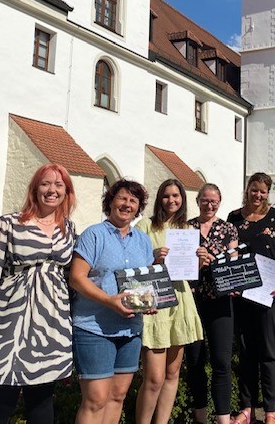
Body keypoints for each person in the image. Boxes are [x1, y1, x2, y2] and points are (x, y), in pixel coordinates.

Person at [0, 164, 76, 424]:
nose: (52, 190)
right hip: (9, 321)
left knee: (42, 402)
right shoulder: (7, 224)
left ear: (66, 192)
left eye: (59, 185)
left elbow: (73, 277)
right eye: (46, 184)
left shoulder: (68, 229)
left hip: (51, 323)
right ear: (35, 188)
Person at [69, 179, 154, 424]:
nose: (127, 205)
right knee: (95, 399)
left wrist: (149, 301)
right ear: (111, 201)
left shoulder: (143, 240)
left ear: (138, 208)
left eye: (133, 201)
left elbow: (144, 282)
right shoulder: (93, 234)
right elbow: (76, 278)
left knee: (117, 396)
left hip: (130, 329)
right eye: (122, 198)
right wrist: (108, 301)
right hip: (94, 328)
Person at [135, 179, 203, 424]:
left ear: (183, 199)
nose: (171, 200)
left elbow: (189, 271)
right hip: (154, 303)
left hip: (180, 301)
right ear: (159, 199)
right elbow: (132, 264)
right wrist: (152, 258)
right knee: (153, 378)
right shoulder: (145, 226)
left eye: (176, 196)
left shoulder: (186, 229)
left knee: (173, 373)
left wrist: (199, 261)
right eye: (166, 196)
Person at [227, 172, 275, 424]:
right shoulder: (234, 217)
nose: (258, 195)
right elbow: (229, 251)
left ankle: (271, 411)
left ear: (268, 193)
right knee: (246, 351)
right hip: (242, 293)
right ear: (248, 189)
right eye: (254, 189)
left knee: (269, 352)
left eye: (263, 191)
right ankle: (246, 408)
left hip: (271, 292)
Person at [185, 183, 239, 424]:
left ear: (220, 202)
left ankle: (223, 417)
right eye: (205, 200)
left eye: (214, 201)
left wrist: (214, 261)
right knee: (195, 359)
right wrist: (195, 261)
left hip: (220, 299)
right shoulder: (186, 228)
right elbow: (180, 266)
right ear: (198, 201)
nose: (209, 204)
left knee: (221, 360)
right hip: (192, 299)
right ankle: (200, 414)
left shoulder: (228, 229)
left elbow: (234, 263)